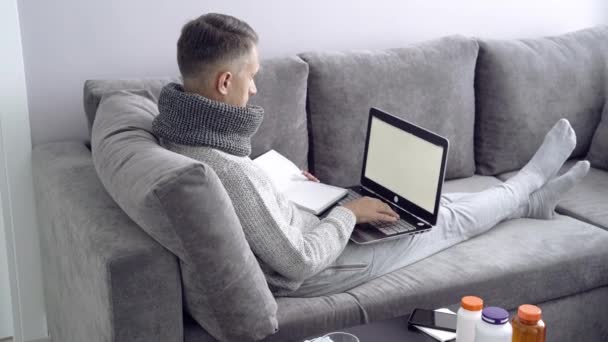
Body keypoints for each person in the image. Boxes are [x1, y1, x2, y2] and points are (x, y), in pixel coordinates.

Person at [152, 13, 589, 297]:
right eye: (251, 77)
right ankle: (527, 185)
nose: (255, 89)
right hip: (324, 266)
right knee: (446, 220)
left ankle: (529, 203)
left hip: (310, 226)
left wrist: (291, 190)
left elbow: (256, 205)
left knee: (419, 208)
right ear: (224, 83)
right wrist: (349, 215)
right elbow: (298, 262)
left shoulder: (176, 128)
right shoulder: (224, 170)